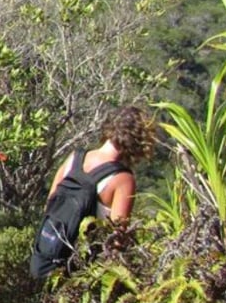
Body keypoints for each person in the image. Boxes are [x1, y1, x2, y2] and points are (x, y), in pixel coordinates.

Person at [31, 106, 158, 282]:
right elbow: (117, 239)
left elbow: (50, 205)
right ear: (139, 141)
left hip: (42, 260)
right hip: (80, 274)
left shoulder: (74, 158)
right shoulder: (123, 179)